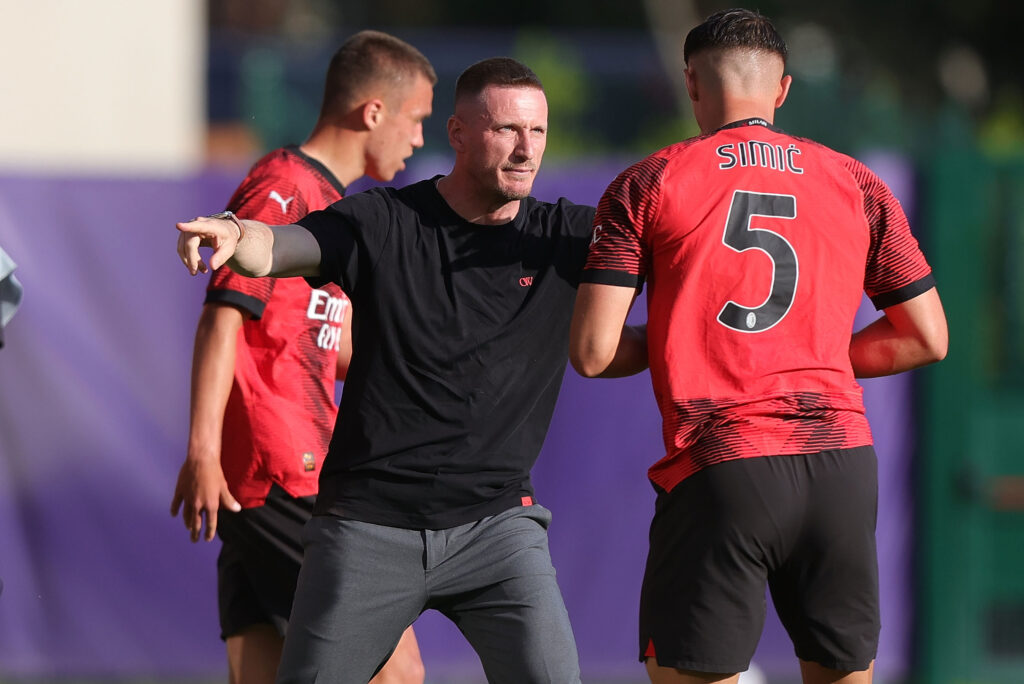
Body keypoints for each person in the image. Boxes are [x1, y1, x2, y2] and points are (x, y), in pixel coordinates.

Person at [176, 57, 593, 684]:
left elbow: (675, 238)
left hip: (498, 527)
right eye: (507, 129)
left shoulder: (566, 236)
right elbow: (279, 249)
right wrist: (242, 234)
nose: (525, 149)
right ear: (459, 132)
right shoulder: (377, 218)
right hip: (350, 512)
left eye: (537, 132)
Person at [569, 9, 947, 684]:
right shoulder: (857, 181)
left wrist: (696, 339)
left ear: (691, 85)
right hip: (841, 465)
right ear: (782, 90)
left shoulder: (648, 182)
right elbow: (927, 337)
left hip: (726, 466)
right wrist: (813, 352)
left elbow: (595, 352)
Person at [169, 30, 435, 684]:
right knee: (397, 671)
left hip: (277, 470)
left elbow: (327, 344)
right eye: (418, 119)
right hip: (281, 465)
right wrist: (203, 450)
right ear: (373, 112)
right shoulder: (283, 187)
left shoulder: (339, 208)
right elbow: (223, 315)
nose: (419, 139)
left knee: (261, 669)